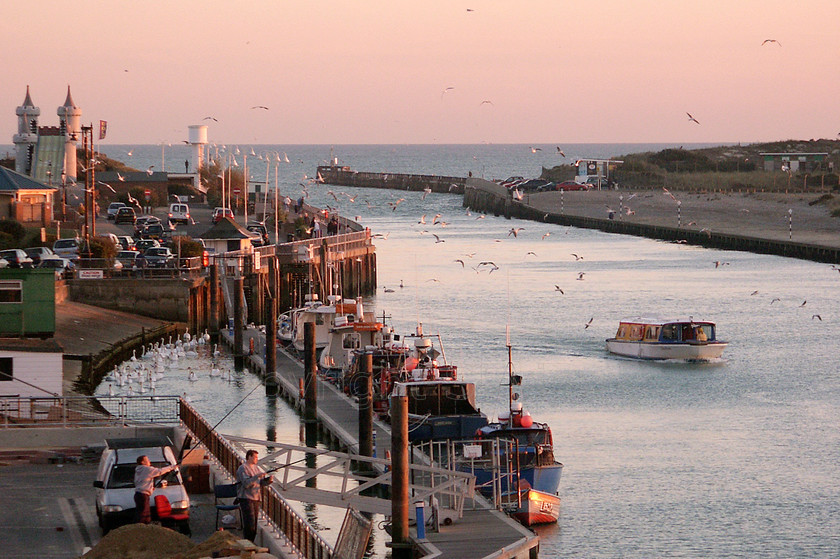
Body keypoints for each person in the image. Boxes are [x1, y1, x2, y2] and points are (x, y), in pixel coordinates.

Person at [236, 449, 272, 542]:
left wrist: (268, 481)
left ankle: (251, 542)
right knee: (249, 523)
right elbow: (246, 484)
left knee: (255, 523)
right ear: (249, 457)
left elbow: (260, 483)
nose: (257, 459)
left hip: (256, 498)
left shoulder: (256, 468)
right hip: (246, 498)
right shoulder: (243, 468)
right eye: (255, 457)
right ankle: (247, 542)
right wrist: (257, 476)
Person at [134, 455, 179, 524]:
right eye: (147, 460)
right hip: (143, 495)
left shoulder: (138, 470)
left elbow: (141, 482)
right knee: (144, 515)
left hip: (138, 494)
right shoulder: (146, 469)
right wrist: (172, 467)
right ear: (143, 462)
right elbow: (160, 471)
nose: (149, 461)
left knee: (140, 513)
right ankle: (143, 529)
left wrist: (150, 488)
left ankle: (141, 527)